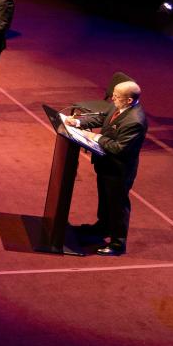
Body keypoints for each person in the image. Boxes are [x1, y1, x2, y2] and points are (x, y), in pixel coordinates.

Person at [64, 80, 147, 256]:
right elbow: (102, 117)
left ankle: (118, 244)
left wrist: (94, 137)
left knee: (117, 205)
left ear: (129, 100)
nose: (112, 98)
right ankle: (102, 228)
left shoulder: (135, 121)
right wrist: (78, 123)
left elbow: (119, 148)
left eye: (116, 96)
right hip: (106, 163)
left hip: (119, 170)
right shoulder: (118, 106)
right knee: (105, 199)